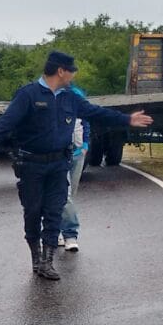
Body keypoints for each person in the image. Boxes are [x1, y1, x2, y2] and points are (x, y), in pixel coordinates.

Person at [0, 51, 153, 281]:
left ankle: (47, 263)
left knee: (53, 212)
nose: (74, 74)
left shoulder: (71, 97)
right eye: (71, 70)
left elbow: (95, 113)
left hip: (59, 163)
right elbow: (6, 121)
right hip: (31, 165)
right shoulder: (28, 94)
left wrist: (126, 119)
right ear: (61, 70)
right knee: (33, 212)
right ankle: (36, 258)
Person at [58, 83, 90, 252]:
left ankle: (58, 229)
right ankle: (70, 234)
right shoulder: (49, 95)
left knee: (69, 195)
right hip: (58, 155)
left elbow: (85, 121)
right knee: (65, 194)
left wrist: (85, 144)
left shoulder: (77, 94)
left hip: (77, 152)